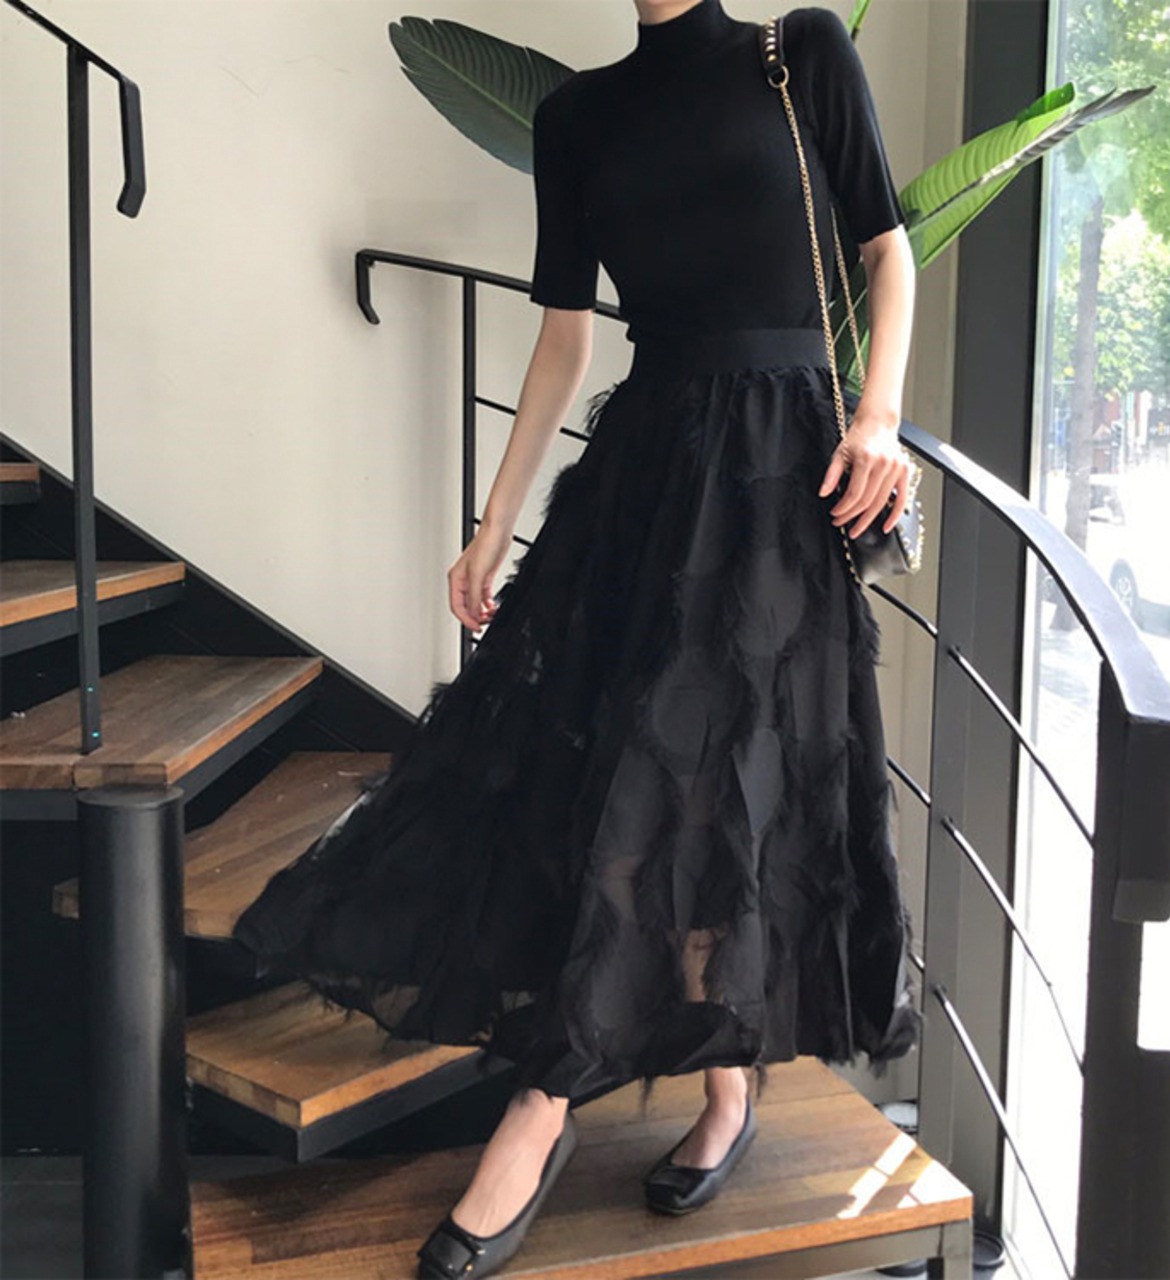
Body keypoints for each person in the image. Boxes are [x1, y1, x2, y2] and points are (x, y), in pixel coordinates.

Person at [231, 1, 922, 1275]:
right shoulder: (575, 116)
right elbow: (563, 336)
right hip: (643, 480)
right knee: (606, 768)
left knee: (706, 777)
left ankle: (560, 1102)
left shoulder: (796, 53)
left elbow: (886, 249)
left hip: (778, 481)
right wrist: (492, 527)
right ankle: (681, 1076)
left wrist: (877, 415)